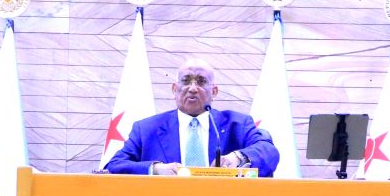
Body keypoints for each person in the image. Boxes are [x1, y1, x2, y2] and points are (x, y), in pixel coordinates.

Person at [104, 58, 280, 177]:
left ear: (214, 91)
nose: (193, 88)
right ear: (174, 89)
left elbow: (269, 151)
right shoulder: (147, 129)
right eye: (186, 81)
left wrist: (238, 158)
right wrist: (156, 169)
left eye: (201, 82)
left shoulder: (238, 124)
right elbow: (114, 165)